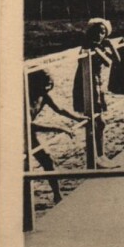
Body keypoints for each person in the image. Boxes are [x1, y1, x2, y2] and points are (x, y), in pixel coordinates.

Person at [28, 69, 87, 202]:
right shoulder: (24, 98)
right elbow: (27, 125)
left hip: (27, 133)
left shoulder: (43, 95)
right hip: (14, 132)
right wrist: (58, 127)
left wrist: (77, 117)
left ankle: (57, 195)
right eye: (44, 85)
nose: (47, 88)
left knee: (47, 160)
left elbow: (59, 109)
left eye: (49, 84)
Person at [72, 18, 120, 169]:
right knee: (96, 123)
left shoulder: (98, 46)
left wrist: (111, 46)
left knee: (100, 123)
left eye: (103, 32)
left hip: (97, 85)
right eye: (97, 32)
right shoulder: (89, 47)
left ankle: (101, 155)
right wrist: (105, 48)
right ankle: (97, 157)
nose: (100, 35)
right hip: (87, 86)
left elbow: (117, 59)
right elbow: (108, 62)